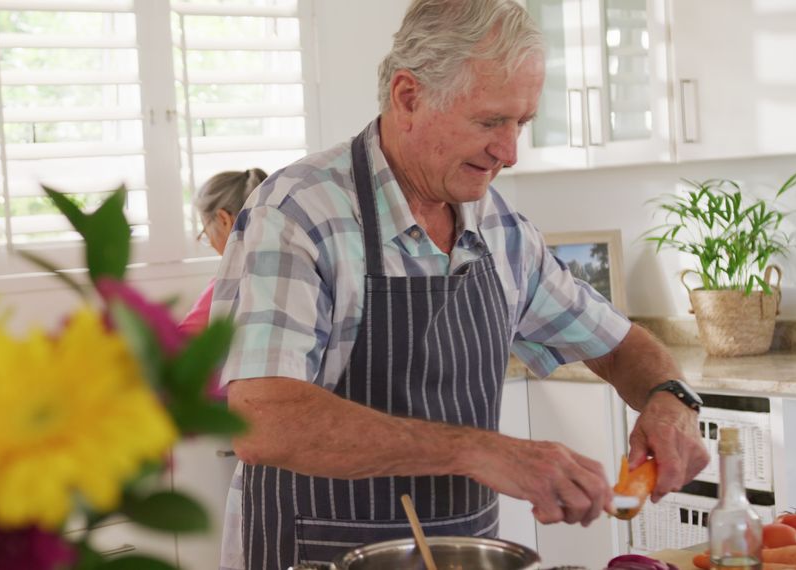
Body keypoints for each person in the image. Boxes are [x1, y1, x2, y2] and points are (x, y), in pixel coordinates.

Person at [209, 0, 710, 568]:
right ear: (408, 98)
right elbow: (260, 419)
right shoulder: (298, 214)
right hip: (310, 556)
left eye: (521, 123)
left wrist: (671, 400)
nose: (510, 152)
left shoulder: (501, 231)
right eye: (491, 121)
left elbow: (619, 346)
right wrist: (477, 450)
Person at [179, 168, 268, 339]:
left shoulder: (227, 284)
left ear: (224, 219)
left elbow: (178, 347)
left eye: (205, 231)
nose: (210, 242)